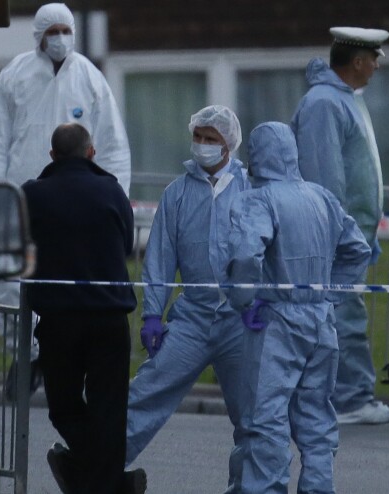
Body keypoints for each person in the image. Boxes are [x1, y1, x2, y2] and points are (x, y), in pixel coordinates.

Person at [0, 2, 132, 399]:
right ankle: (27, 355)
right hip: (21, 199)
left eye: (67, 30)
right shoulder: (15, 75)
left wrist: (114, 200)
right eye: (53, 31)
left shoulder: (90, 78)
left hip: (78, 204)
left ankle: (57, 357)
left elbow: (113, 145)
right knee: (9, 276)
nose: (61, 38)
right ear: (38, 35)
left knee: (65, 279)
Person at [227, 122, 371, 493]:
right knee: (317, 419)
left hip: (278, 321)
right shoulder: (322, 197)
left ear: (257, 157)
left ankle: (267, 489)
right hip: (321, 322)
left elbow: (245, 255)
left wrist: (245, 301)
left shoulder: (260, 199)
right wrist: (331, 293)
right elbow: (358, 249)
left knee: (267, 416)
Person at [126, 105, 248, 492]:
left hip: (241, 319)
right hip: (192, 319)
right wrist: (152, 315)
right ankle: (97, 465)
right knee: (146, 391)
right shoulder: (177, 194)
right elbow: (159, 260)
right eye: (198, 137)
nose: (202, 146)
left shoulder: (252, 189)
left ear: (228, 145)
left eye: (211, 139)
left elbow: (269, 254)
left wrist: (263, 300)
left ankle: (249, 486)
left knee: (254, 415)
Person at [21, 123, 145, 494]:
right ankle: (112, 485)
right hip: (109, 319)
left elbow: (20, 244)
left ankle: (84, 474)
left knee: (64, 407)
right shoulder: (111, 190)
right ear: (91, 152)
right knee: (109, 412)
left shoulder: (32, 194)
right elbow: (126, 243)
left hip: (60, 321)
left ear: (52, 156)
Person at [290, 26, 389, 424]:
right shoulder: (326, 103)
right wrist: (341, 234)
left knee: (341, 315)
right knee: (343, 317)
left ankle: (343, 395)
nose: (375, 67)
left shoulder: (341, 100)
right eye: (373, 59)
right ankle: (350, 398)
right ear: (356, 62)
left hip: (347, 235)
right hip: (335, 236)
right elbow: (327, 178)